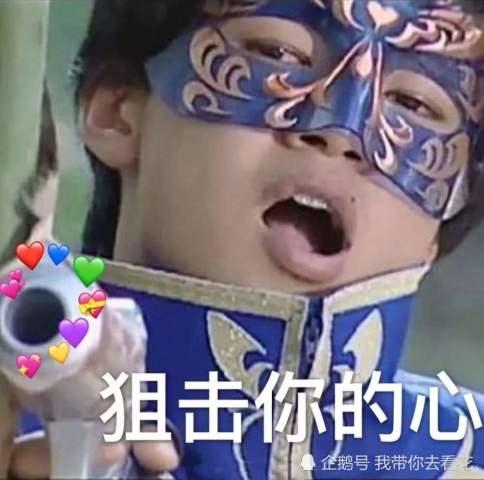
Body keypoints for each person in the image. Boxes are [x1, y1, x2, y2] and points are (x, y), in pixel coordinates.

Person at [12, 0, 484, 478]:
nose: (342, 134)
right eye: (279, 54)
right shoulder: (15, 430)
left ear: (451, 207)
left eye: (414, 104)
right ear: (116, 113)